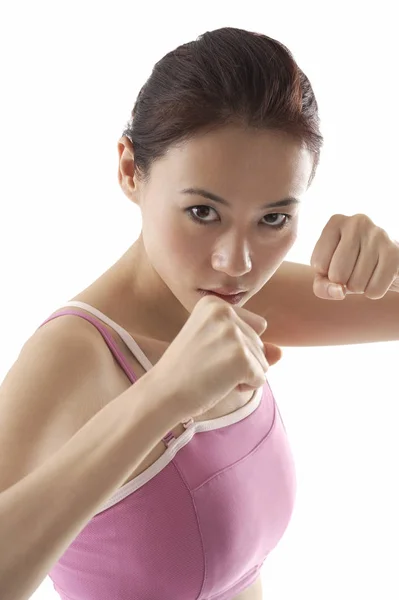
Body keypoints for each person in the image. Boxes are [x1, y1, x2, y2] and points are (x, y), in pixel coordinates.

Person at [0, 27, 322, 600]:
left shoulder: (232, 294)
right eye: (203, 211)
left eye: (273, 219)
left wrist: (389, 266)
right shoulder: (74, 354)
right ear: (130, 171)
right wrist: (161, 397)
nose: (238, 262)